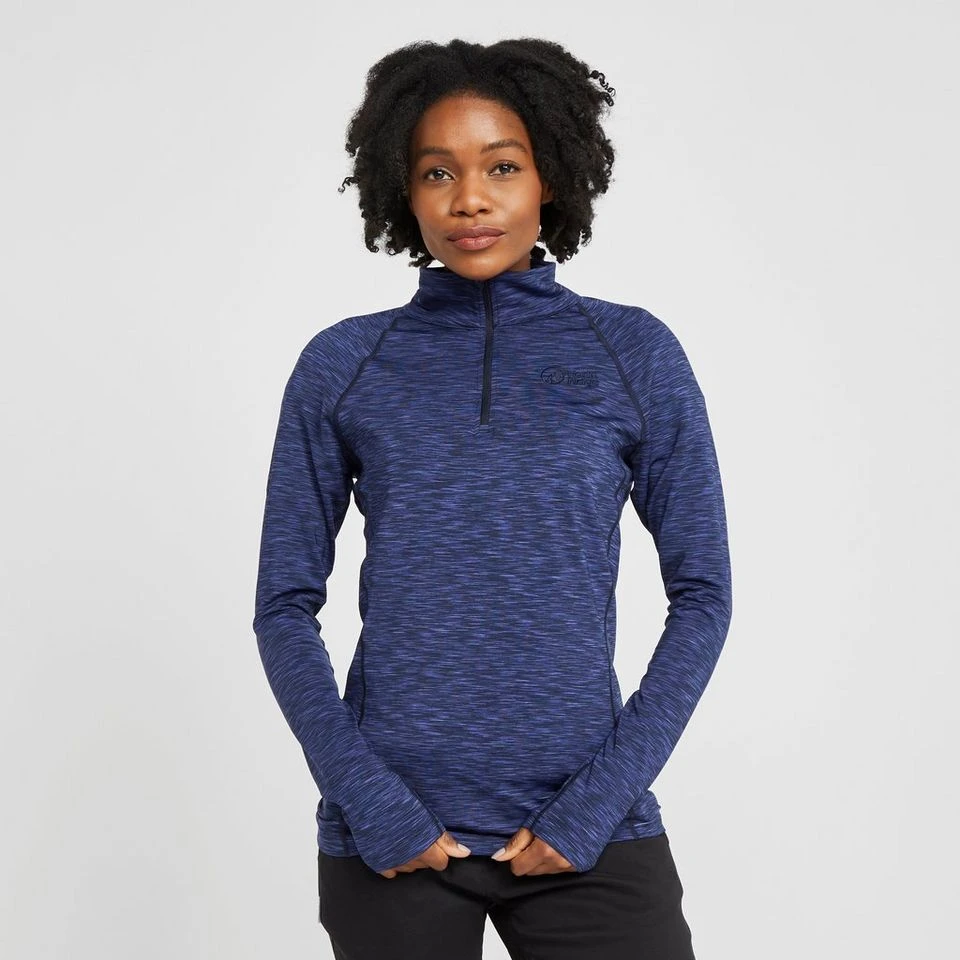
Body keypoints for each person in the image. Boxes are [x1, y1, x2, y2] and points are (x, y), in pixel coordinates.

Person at [252, 36, 732, 960]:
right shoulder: (344, 364)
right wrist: (371, 802)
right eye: (438, 172)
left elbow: (704, 594)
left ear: (550, 176)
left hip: (588, 831)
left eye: (501, 167)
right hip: (394, 839)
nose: (469, 198)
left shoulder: (633, 354)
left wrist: (594, 806)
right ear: (403, 190)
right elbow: (283, 604)